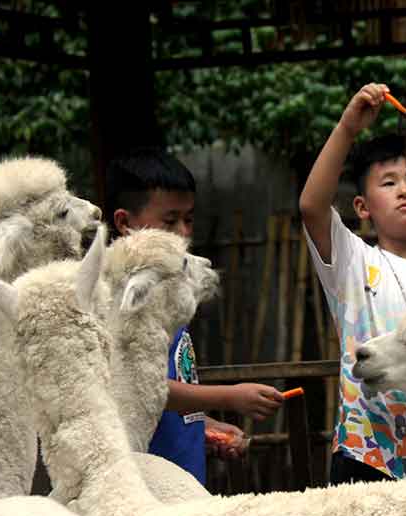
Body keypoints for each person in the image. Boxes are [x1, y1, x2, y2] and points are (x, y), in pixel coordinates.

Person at [299, 83, 406, 484]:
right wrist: (347, 128)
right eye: (389, 183)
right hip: (366, 457)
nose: (405, 191)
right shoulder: (353, 261)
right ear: (362, 207)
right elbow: (311, 206)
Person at [109, 147, 284, 485]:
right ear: (124, 223)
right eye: (170, 221)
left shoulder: (170, 291)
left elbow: (167, 397)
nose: (183, 232)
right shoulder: (123, 295)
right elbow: (140, 386)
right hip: (145, 483)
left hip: (184, 478)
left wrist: (206, 426)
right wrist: (229, 397)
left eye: (188, 220)